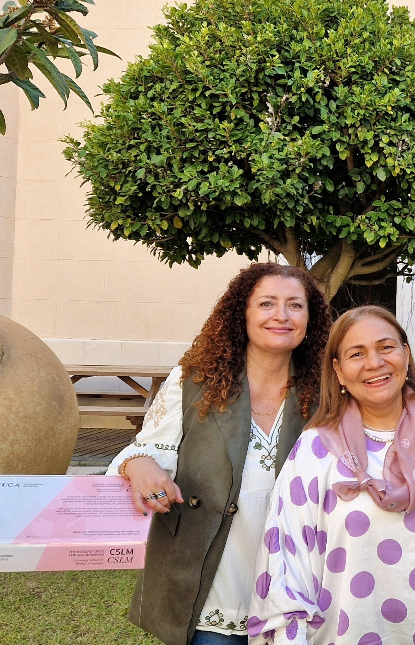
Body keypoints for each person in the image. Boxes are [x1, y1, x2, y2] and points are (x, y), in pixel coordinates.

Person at [108, 262, 331, 645]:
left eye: (295, 305)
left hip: (297, 581)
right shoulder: (194, 379)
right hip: (212, 581)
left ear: (310, 319)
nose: (281, 315)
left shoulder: (330, 392)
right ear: (241, 313)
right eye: (266, 303)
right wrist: (140, 465)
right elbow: (146, 449)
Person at [249, 306, 415, 645]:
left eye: (386, 347)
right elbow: (288, 553)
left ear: (406, 354)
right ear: (339, 371)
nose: (374, 362)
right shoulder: (315, 449)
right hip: (347, 631)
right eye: (356, 354)